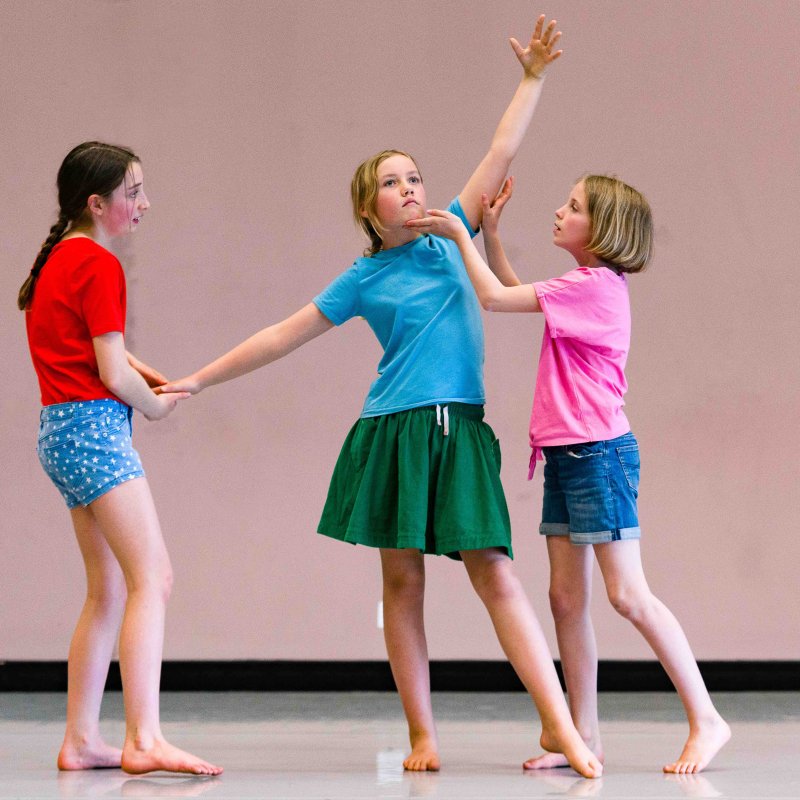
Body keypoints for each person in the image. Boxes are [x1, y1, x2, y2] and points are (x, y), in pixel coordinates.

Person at [161, 16, 601, 778]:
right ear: (369, 210)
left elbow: (500, 151)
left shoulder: (449, 236)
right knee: (401, 581)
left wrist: (531, 78)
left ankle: (560, 725)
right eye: (390, 184)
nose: (408, 189)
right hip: (392, 430)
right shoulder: (362, 279)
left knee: (494, 570)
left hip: (456, 430)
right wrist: (200, 377)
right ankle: (423, 735)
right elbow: (280, 334)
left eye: (413, 177)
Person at [406, 174, 732, 774]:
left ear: (601, 230)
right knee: (564, 598)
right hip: (565, 455)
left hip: (599, 455)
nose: (559, 211)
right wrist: (493, 236)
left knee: (628, 595)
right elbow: (513, 289)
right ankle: (582, 733)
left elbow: (494, 300)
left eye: (574, 207)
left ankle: (707, 718)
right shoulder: (581, 286)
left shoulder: (599, 287)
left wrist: (460, 235)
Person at [19, 141, 222, 776]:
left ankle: (81, 740)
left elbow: (92, 351)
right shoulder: (100, 265)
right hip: (94, 430)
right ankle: (143, 738)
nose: (144, 204)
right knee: (151, 579)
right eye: (133, 193)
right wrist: (157, 408)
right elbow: (109, 370)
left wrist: (146, 376)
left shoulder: (58, 259)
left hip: (62, 432)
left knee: (107, 589)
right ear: (97, 203)